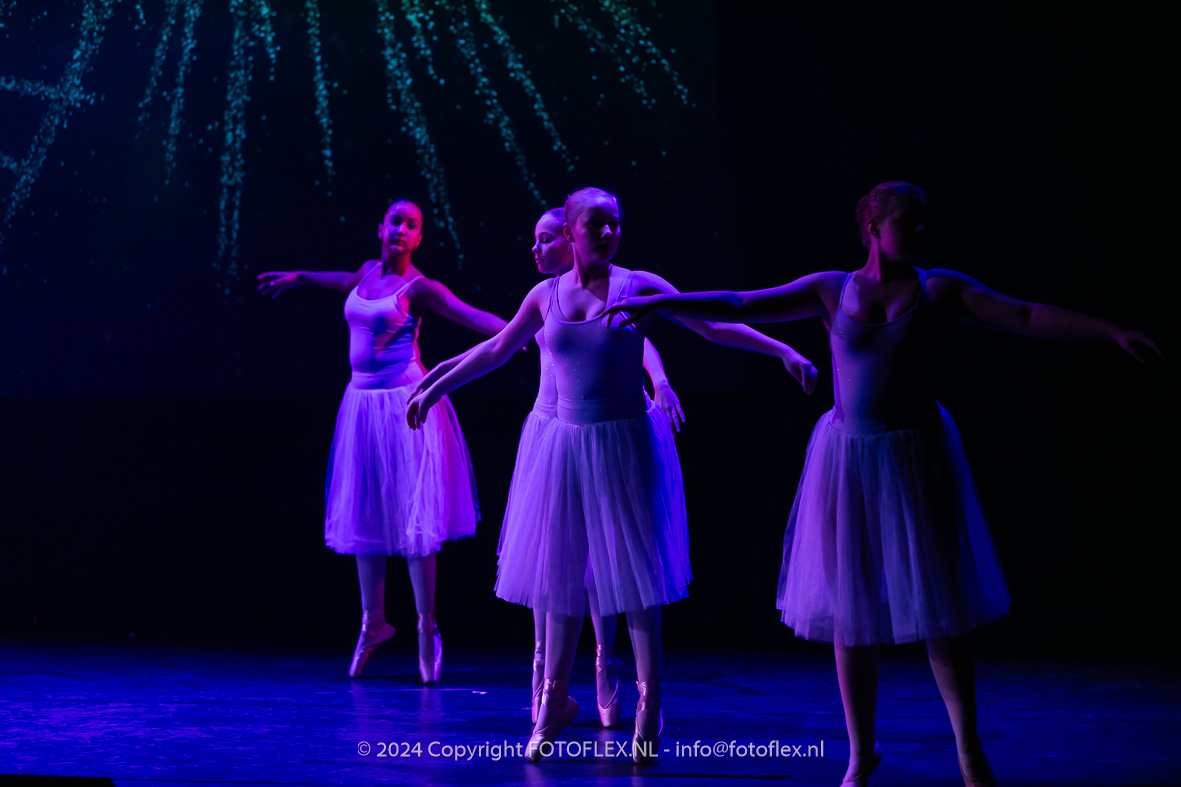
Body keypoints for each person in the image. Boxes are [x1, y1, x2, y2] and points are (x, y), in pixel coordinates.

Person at [603, 181, 1161, 785]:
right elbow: (741, 303)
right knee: (851, 608)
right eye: (908, 222)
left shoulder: (936, 288)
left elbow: (1023, 314)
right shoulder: (831, 289)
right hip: (847, 457)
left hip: (915, 455)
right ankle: (860, 750)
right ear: (873, 227)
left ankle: (968, 748)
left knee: (942, 609)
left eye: (924, 222)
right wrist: (664, 303)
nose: (921, 233)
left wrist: (1109, 330)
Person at [407, 187, 817, 763]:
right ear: (570, 232)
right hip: (563, 448)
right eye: (595, 224)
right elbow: (497, 350)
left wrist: (782, 351)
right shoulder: (545, 295)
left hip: (622, 445)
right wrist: (435, 387)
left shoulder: (638, 285)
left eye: (615, 223)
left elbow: (711, 326)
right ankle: (551, 701)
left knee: (636, 578)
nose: (607, 233)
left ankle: (649, 703)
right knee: (560, 574)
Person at [412, 206, 687, 728]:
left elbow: (640, 339)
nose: (536, 249)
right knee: (553, 566)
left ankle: (607, 664)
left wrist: (662, 382)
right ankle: (547, 685)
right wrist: (441, 376)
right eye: (535, 240)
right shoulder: (545, 299)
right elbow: (495, 346)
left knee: (611, 562)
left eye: (544, 239)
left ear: (567, 239)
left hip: (602, 431)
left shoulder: (619, 289)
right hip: (553, 434)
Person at [257, 199, 508, 684]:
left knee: (416, 518)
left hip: (404, 406)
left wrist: (525, 330)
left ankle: (426, 626)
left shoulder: (419, 288)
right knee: (364, 512)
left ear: (419, 238)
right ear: (380, 228)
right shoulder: (367, 273)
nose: (402, 229)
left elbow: (470, 316)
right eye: (396, 221)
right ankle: (373, 623)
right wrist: (301, 277)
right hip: (361, 407)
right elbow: (343, 280)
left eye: (412, 225)